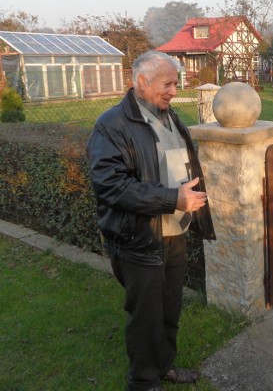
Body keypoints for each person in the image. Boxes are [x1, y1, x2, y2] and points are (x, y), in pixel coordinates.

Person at [87, 50, 215, 391]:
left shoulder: (168, 115)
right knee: (145, 316)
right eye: (168, 83)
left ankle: (164, 367)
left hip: (175, 232)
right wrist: (173, 199)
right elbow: (111, 187)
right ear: (141, 82)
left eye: (176, 83)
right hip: (139, 238)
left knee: (169, 308)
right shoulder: (111, 126)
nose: (174, 90)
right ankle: (142, 382)